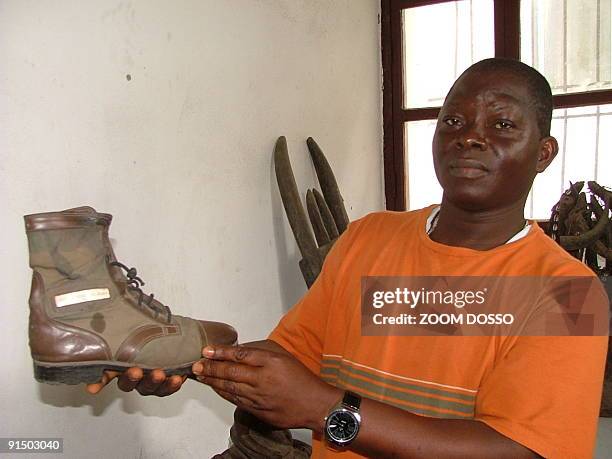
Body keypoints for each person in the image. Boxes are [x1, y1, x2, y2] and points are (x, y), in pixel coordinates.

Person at [88, 58, 609, 458]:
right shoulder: (370, 238)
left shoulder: (571, 293)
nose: (469, 136)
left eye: (501, 125)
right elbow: (290, 363)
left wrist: (328, 409)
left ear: (543, 153)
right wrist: (181, 357)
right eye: (452, 120)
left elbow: (521, 451)